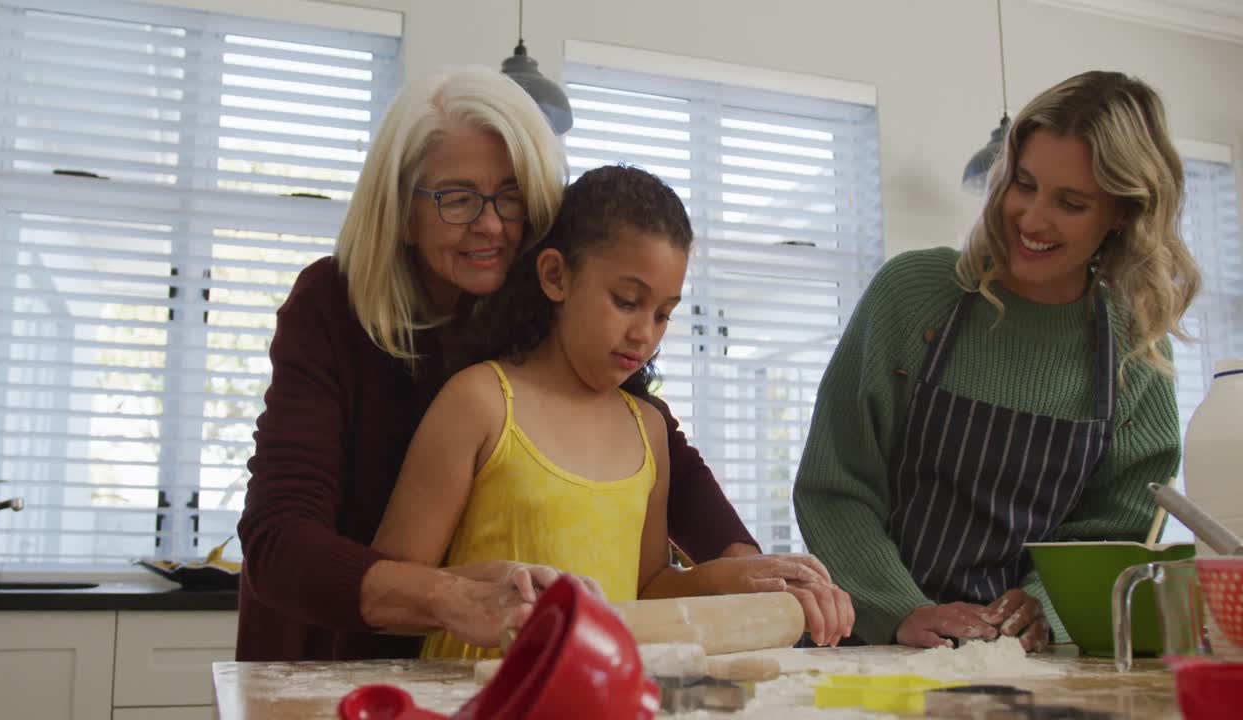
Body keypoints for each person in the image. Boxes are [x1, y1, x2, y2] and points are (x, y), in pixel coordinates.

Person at [237, 66, 840, 662]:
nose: (492, 223)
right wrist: (452, 596)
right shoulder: (334, 307)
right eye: (457, 198)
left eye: (512, 195)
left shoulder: (544, 310)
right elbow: (280, 537)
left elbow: (659, 455)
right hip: (331, 648)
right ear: (401, 205)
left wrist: (744, 568)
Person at [371, 165, 856, 658]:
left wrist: (734, 577)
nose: (644, 332)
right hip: (476, 700)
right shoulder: (478, 402)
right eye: (626, 301)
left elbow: (645, 589)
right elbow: (387, 591)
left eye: (663, 314)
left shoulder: (647, 429)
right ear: (556, 276)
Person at [793, 70, 1200, 652]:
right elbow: (837, 487)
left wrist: (1047, 611)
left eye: (1071, 202)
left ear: (1122, 212)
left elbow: (1115, 534)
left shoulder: (1134, 354)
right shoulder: (912, 294)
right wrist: (902, 609)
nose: (1032, 220)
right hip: (872, 646)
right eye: (1024, 184)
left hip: (1027, 666)